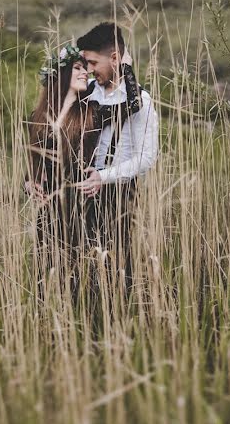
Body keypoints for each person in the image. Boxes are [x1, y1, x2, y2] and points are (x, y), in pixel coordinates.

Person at [25, 40, 145, 303]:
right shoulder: (38, 116)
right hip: (50, 213)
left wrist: (124, 67)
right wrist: (29, 183)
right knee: (48, 284)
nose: (85, 73)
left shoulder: (93, 113)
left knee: (86, 284)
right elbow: (33, 164)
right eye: (78, 68)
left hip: (86, 209)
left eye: (86, 69)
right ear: (61, 75)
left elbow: (133, 103)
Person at [74, 22, 159, 297]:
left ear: (114, 59)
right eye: (85, 63)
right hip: (80, 189)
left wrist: (105, 177)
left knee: (116, 264)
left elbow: (146, 157)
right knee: (77, 265)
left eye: (93, 62)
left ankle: (117, 318)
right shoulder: (84, 94)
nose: (89, 70)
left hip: (119, 193)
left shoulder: (141, 101)